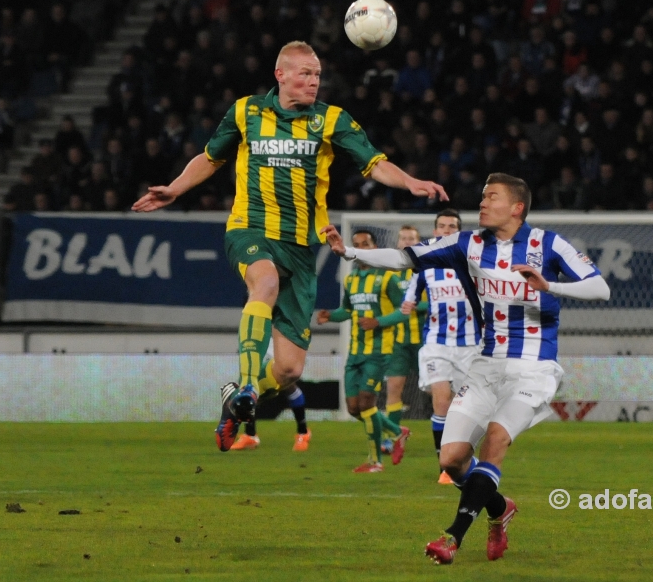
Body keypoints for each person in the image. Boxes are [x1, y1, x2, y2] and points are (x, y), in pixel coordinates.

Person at [132, 41, 447, 452]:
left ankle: (235, 404)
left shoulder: (332, 120)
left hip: (301, 247)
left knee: (288, 370)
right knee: (263, 284)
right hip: (251, 229)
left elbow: (374, 162)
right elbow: (211, 157)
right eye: (304, 73)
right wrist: (174, 189)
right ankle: (245, 384)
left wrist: (410, 181)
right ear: (280, 75)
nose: (313, 81)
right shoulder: (246, 112)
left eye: (317, 75)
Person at [322, 173, 610, 563]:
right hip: (485, 365)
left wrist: (550, 286)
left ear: (517, 207)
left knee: (494, 439)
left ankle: (451, 537)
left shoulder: (548, 244)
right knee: (451, 459)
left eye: (492, 197)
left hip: (533, 368)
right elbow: (407, 257)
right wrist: (351, 254)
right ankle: (498, 509)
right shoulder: (468, 243)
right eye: (482, 196)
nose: (482, 203)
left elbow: (599, 288)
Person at [316, 230, 411, 472]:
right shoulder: (352, 279)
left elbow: (403, 311)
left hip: (379, 350)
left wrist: (378, 322)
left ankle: (375, 461)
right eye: (356, 245)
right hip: (355, 352)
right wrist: (331, 316)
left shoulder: (389, 278)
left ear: (375, 247)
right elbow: (347, 310)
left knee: (367, 403)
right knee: (353, 408)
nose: (361, 248)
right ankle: (397, 431)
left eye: (365, 244)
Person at [400, 209, 481, 485]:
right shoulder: (426, 265)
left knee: (467, 407)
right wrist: (408, 304)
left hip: (471, 345)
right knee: (442, 401)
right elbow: (410, 294)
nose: (446, 230)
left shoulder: (472, 261)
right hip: (437, 343)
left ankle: (462, 459)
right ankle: (443, 467)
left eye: (452, 226)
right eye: (442, 226)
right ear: (435, 231)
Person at [380, 225, 426, 453]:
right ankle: (392, 436)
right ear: (398, 243)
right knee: (394, 388)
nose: (407, 242)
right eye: (403, 238)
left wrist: (414, 305)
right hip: (399, 341)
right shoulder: (389, 275)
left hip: (426, 341)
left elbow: (437, 301)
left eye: (411, 238)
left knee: (441, 391)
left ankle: (455, 436)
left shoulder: (427, 269)